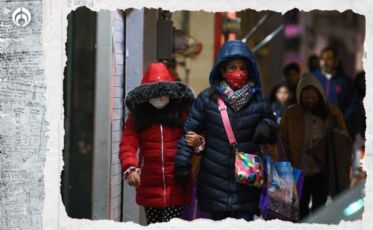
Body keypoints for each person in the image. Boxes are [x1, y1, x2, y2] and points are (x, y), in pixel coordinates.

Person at [174, 40, 277, 221]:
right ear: (222, 70)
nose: (238, 73)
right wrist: (182, 164)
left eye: (243, 68)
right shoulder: (207, 98)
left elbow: (272, 122)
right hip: (214, 182)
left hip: (247, 182)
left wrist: (266, 126)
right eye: (233, 67)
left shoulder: (259, 98)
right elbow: (188, 133)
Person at [119, 62, 203, 225]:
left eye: (163, 94)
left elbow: (197, 137)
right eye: (154, 94)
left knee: (171, 225)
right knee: (154, 225)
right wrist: (130, 167)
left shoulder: (182, 115)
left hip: (177, 183)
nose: (159, 98)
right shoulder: (137, 118)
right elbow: (128, 144)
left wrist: (198, 142)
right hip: (149, 183)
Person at [275, 73, 348, 219]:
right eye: (306, 98)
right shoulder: (291, 114)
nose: (310, 102)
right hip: (298, 169)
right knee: (299, 208)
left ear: (320, 96)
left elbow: (343, 138)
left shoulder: (331, 113)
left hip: (322, 169)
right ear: (299, 97)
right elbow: (282, 141)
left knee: (319, 208)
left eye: (313, 98)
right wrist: (284, 165)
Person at [313, 47, 359, 137]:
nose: (325, 62)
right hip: (316, 127)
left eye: (329, 59)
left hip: (338, 128)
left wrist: (342, 119)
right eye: (322, 59)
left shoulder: (344, 81)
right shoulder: (313, 79)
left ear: (336, 61)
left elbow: (353, 103)